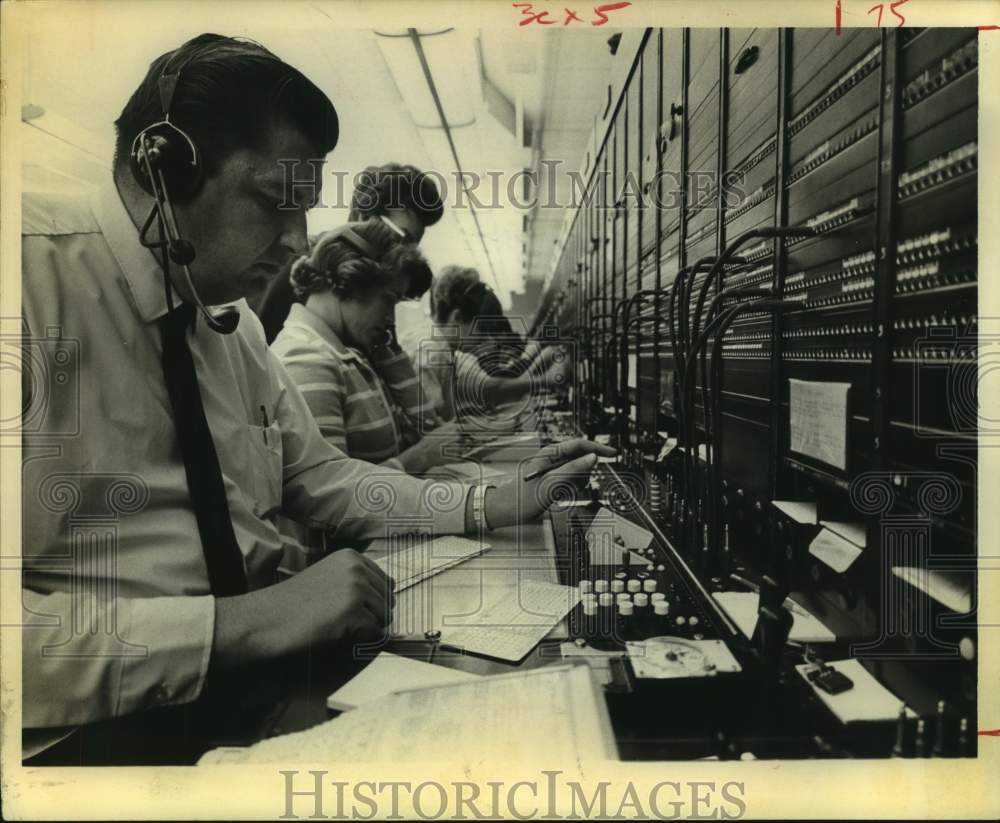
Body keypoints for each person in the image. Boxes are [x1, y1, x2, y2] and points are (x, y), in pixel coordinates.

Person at [20, 33, 612, 764]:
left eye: (307, 208)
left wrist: (490, 503)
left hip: (260, 687)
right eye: (276, 203)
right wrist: (240, 623)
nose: (301, 243)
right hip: (102, 740)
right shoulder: (26, 289)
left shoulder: (225, 321)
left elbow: (321, 475)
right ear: (166, 166)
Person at [272, 220, 462, 473]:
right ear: (350, 281)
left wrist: (391, 356)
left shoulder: (353, 354)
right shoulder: (307, 359)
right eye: (388, 300)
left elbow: (425, 427)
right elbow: (333, 497)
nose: (391, 320)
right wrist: (421, 457)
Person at [252, 162, 444, 343]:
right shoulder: (302, 264)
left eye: (413, 247)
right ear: (363, 216)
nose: (405, 257)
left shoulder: (370, 295)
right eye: (401, 240)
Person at [408, 265, 569, 422]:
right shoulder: (429, 352)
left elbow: (488, 387)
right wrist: (547, 378)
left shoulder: (450, 352)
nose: (489, 340)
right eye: (483, 331)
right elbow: (429, 428)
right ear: (457, 318)